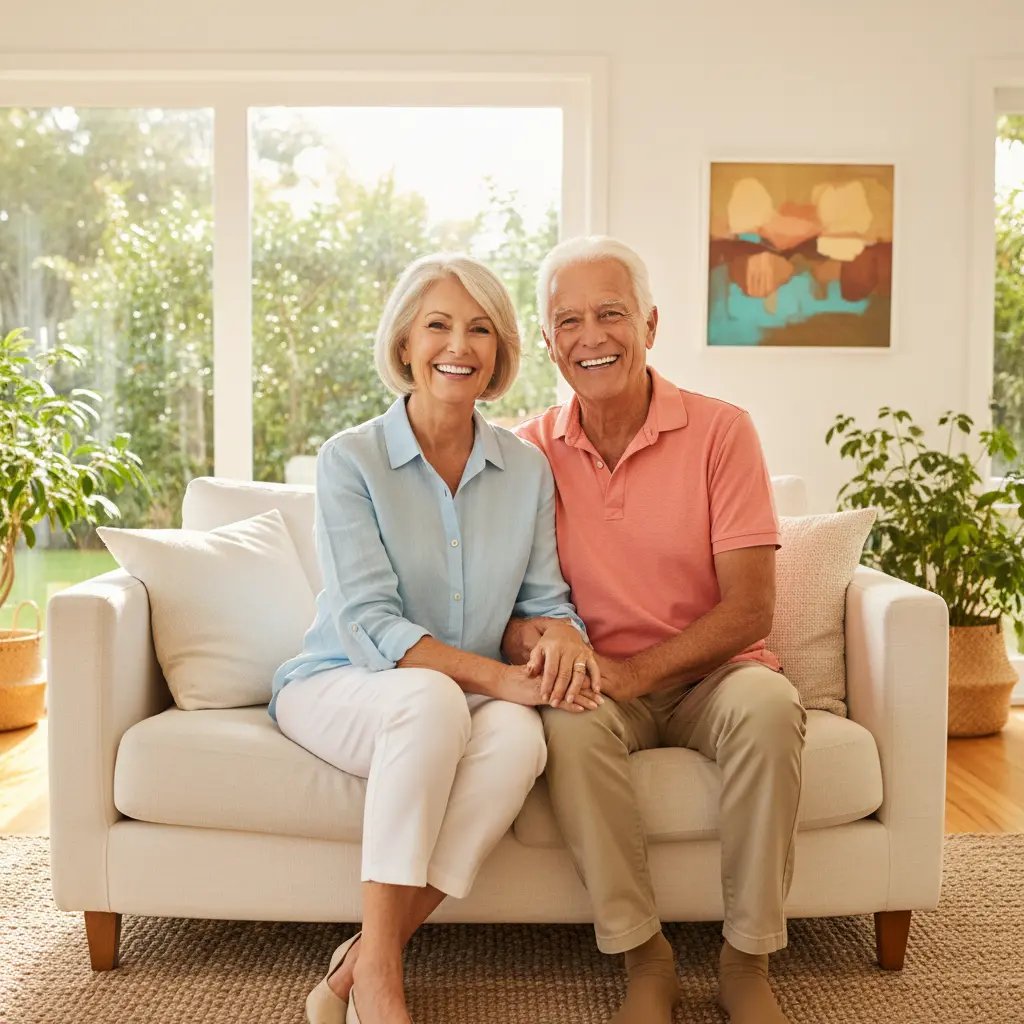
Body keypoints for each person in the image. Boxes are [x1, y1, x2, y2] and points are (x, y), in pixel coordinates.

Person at [271, 253, 602, 1024]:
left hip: (454, 695)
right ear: (406, 344)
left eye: (480, 328)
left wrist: (562, 643)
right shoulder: (350, 458)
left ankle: (362, 959)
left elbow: (545, 599)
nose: (460, 344)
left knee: (522, 736)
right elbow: (369, 622)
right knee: (430, 701)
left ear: (499, 353)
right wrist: (493, 677)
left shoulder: (526, 468)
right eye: (439, 325)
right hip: (337, 682)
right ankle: (382, 986)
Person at [504, 236, 807, 1024]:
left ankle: (747, 961)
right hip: (599, 685)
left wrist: (636, 673)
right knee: (565, 731)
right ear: (547, 342)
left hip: (716, 675)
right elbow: (498, 609)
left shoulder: (721, 432)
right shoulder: (524, 452)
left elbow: (751, 608)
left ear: (650, 324)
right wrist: (548, 642)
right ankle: (647, 957)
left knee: (772, 711)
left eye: (611, 314)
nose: (591, 336)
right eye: (568, 320)